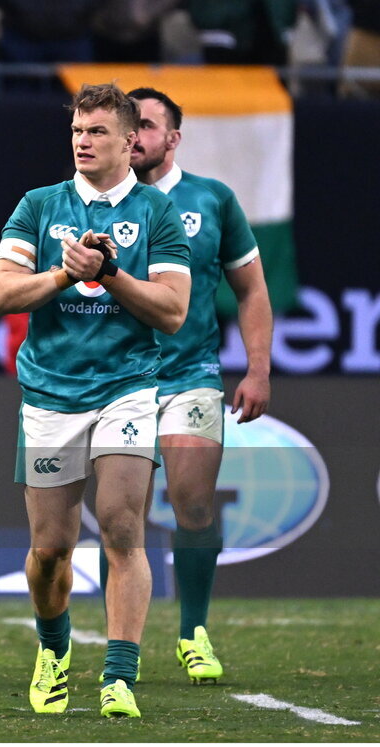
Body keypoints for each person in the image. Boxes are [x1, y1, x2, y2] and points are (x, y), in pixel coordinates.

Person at [0, 83, 191, 719]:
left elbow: (175, 312)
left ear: (132, 142)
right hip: (50, 391)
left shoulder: (157, 213)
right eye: (78, 129)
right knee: (50, 550)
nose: (83, 141)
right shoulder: (40, 205)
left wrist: (112, 275)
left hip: (127, 386)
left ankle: (119, 676)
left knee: (123, 526)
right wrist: (63, 275)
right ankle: (54, 648)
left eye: (98, 131)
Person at [125, 86, 272, 683]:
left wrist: (258, 367)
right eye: (125, 125)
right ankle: (122, 646)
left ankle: (193, 632)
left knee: (192, 502)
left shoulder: (212, 200)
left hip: (191, 375)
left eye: (147, 125)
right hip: (118, 380)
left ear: (173, 138)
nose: (134, 135)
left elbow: (252, 290)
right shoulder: (95, 202)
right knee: (121, 517)